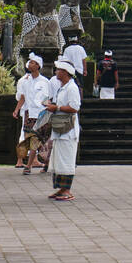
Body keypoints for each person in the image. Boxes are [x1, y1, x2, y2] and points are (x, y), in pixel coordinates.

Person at [45, 59, 81, 201]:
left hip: (68, 129)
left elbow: (74, 107)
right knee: (59, 159)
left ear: (65, 72)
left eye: (58, 70)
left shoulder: (72, 88)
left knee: (66, 159)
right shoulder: (62, 87)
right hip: (60, 128)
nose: (56, 72)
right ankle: (61, 188)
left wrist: (57, 108)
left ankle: (67, 190)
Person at [13, 53, 51, 175]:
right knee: (30, 139)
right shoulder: (25, 81)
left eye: (33, 63)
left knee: (38, 140)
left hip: (41, 114)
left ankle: (31, 165)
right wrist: (16, 109)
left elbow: (47, 98)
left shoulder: (45, 82)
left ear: (38, 66)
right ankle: (30, 163)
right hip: (29, 113)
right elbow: (23, 97)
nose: (30, 64)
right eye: (29, 62)